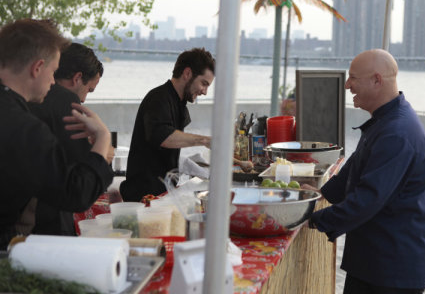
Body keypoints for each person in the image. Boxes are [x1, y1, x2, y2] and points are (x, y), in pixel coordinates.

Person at [307, 49, 425, 294]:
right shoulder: (385, 119)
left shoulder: (398, 131)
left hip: (397, 259)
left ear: (377, 80)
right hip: (371, 256)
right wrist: (316, 194)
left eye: (353, 78)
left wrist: (314, 219)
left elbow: (368, 199)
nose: (346, 85)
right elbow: (355, 169)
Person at [0, 19, 114, 250]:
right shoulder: (23, 128)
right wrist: (103, 139)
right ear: (37, 68)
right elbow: (75, 192)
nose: (53, 81)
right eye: (52, 71)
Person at [120, 47, 253, 202]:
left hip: (163, 191)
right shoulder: (158, 98)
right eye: (204, 83)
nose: (204, 92)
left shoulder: (179, 102)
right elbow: (163, 137)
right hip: (143, 195)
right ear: (187, 73)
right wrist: (205, 140)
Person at [28, 43, 112, 235]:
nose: (84, 100)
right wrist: (103, 145)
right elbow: (83, 184)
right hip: (45, 218)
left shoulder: (22, 101)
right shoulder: (65, 103)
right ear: (77, 78)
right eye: (89, 90)